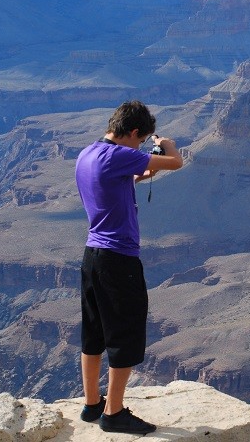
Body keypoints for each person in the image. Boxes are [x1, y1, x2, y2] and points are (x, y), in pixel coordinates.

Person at [74, 100, 182, 434]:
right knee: (125, 335)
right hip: (119, 260)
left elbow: (127, 178)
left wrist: (145, 166)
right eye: (140, 140)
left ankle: (92, 404)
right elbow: (175, 163)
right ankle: (114, 412)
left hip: (92, 256)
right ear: (133, 132)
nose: (140, 146)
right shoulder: (120, 155)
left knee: (94, 334)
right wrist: (166, 145)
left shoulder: (88, 154)